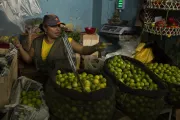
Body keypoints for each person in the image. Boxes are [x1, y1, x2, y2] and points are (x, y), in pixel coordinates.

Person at [13, 14, 106, 84]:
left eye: (58, 26)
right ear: (45, 28)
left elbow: (82, 50)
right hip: (42, 81)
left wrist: (96, 47)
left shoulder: (66, 41)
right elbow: (29, 59)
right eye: (53, 26)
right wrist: (20, 47)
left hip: (62, 81)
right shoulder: (37, 42)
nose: (57, 29)